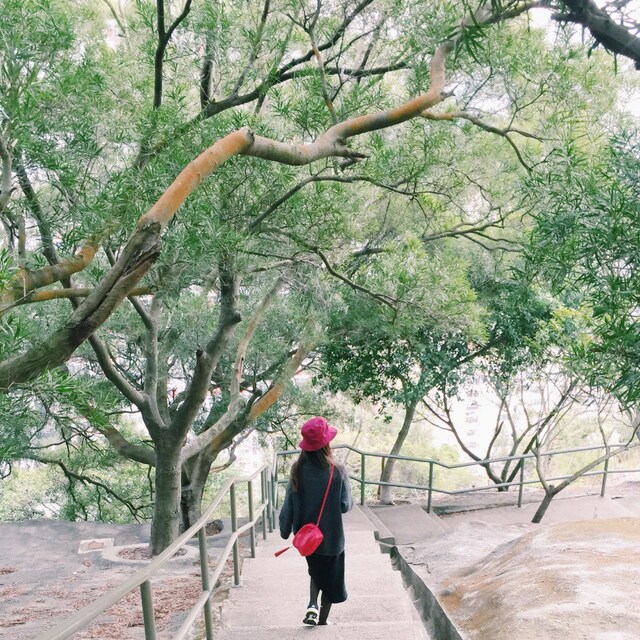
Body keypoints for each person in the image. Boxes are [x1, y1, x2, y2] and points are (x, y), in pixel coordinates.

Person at [279, 416, 353, 626]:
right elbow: (345, 505)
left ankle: (312, 604)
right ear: (326, 444)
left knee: (317, 571)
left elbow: (288, 503)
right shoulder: (337, 470)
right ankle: (322, 621)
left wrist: (284, 529)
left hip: (306, 539)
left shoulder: (297, 468)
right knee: (330, 579)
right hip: (331, 537)